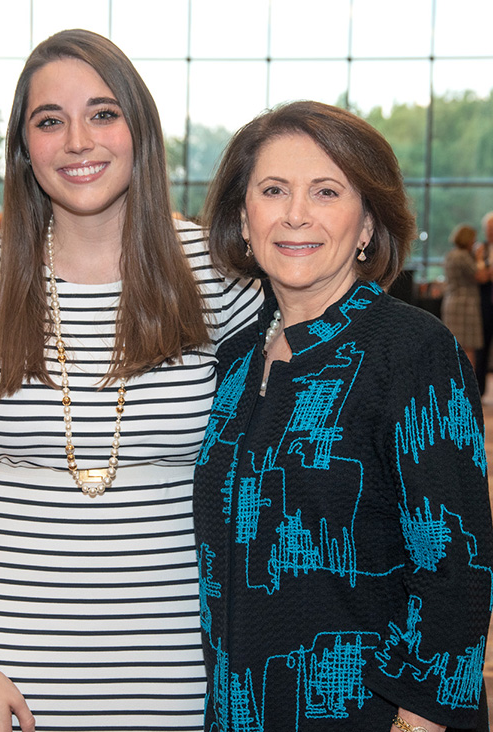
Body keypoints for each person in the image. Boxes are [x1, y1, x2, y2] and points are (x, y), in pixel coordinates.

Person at [0, 30, 262, 732]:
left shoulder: (217, 273)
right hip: (5, 661)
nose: (77, 141)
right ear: (22, 148)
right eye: (49, 120)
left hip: (178, 659)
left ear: (140, 128)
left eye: (102, 113)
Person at [194, 101, 493, 732]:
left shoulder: (410, 351)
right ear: (243, 220)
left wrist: (418, 723)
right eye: (273, 190)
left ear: (366, 226)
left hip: (371, 715)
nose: (295, 213)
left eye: (326, 191)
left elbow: (456, 571)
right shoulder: (235, 360)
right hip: (241, 710)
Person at [441, 224, 484, 370]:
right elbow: (481, 276)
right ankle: (467, 386)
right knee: (468, 347)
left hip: (451, 300)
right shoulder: (464, 256)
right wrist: (479, 258)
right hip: (465, 304)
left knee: (454, 345)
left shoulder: (451, 255)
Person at [474, 211, 493, 394]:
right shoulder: (481, 249)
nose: (490, 232)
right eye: (488, 229)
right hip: (486, 303)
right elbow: (481, 277)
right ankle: (479, 389)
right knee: (482, 346)